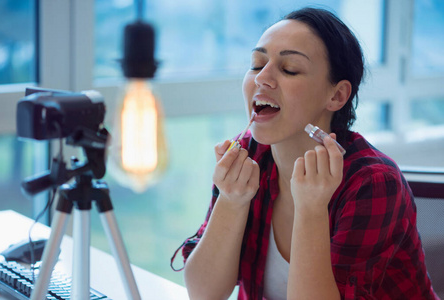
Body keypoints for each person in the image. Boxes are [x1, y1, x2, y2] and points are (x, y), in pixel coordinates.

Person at [171, 7, 439, 300]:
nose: (263, 78)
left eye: (289, 70)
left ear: (336, 96)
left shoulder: (373, 183)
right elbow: (203, 293)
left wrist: (311, 210)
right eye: (257, 64)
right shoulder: (248, 155)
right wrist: (231, 200)